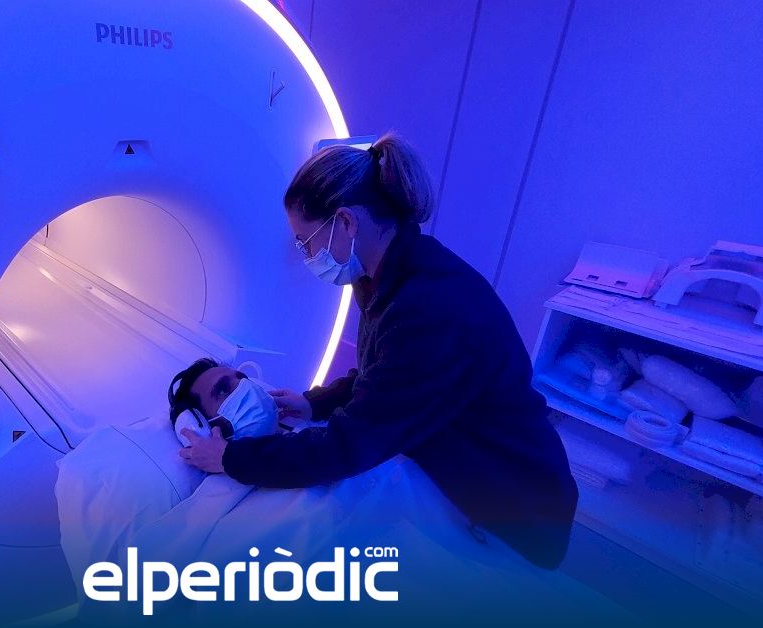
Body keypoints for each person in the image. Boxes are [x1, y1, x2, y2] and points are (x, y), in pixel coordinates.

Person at [178, 133, 578, 569]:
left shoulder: (430, 306)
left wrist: (231, 458)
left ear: (345, 222)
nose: (305, 255)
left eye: (304, 241)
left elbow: (346, 448)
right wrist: (314, 404)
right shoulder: (379, 275)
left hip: (514, 502)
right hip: (450, 450)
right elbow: (383, 377)